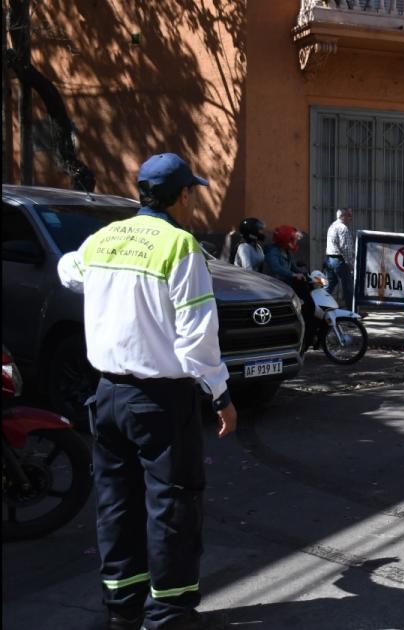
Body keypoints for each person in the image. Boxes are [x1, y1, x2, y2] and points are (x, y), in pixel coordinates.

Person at [57, 153, 237, 630]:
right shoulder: (180, 247)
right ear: (181, 195)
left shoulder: (103, 239)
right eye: (192, 192)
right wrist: (221, 394)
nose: (193, 200)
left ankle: (122, 609)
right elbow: (197, 337)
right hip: (160, 401)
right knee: (172, 504)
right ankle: (169, 614)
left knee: (116, 503)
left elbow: (67, 270)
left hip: (108, 395)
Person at [265, 225, 319, 351]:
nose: (294, 242)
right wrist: (293, 275)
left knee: (310, 304)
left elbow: (294, 267)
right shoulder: (273, 252)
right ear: (284, 239)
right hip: (278, 285)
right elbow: (277, 269)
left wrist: (305, 274)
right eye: (292, 239)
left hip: (288, 283)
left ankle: (310, 337)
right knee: (304, 306)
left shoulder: (286, 251)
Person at [324, 208, 354, 307]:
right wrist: (351, 264)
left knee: (330, 285)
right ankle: (352, 311)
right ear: (343, 216)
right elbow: (346, 249)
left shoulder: (332, 226)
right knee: (348, 286)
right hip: (339, 260)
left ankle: (320, 304)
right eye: (349, 216)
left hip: (329, 259)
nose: (351, 218)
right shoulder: (343, 228)